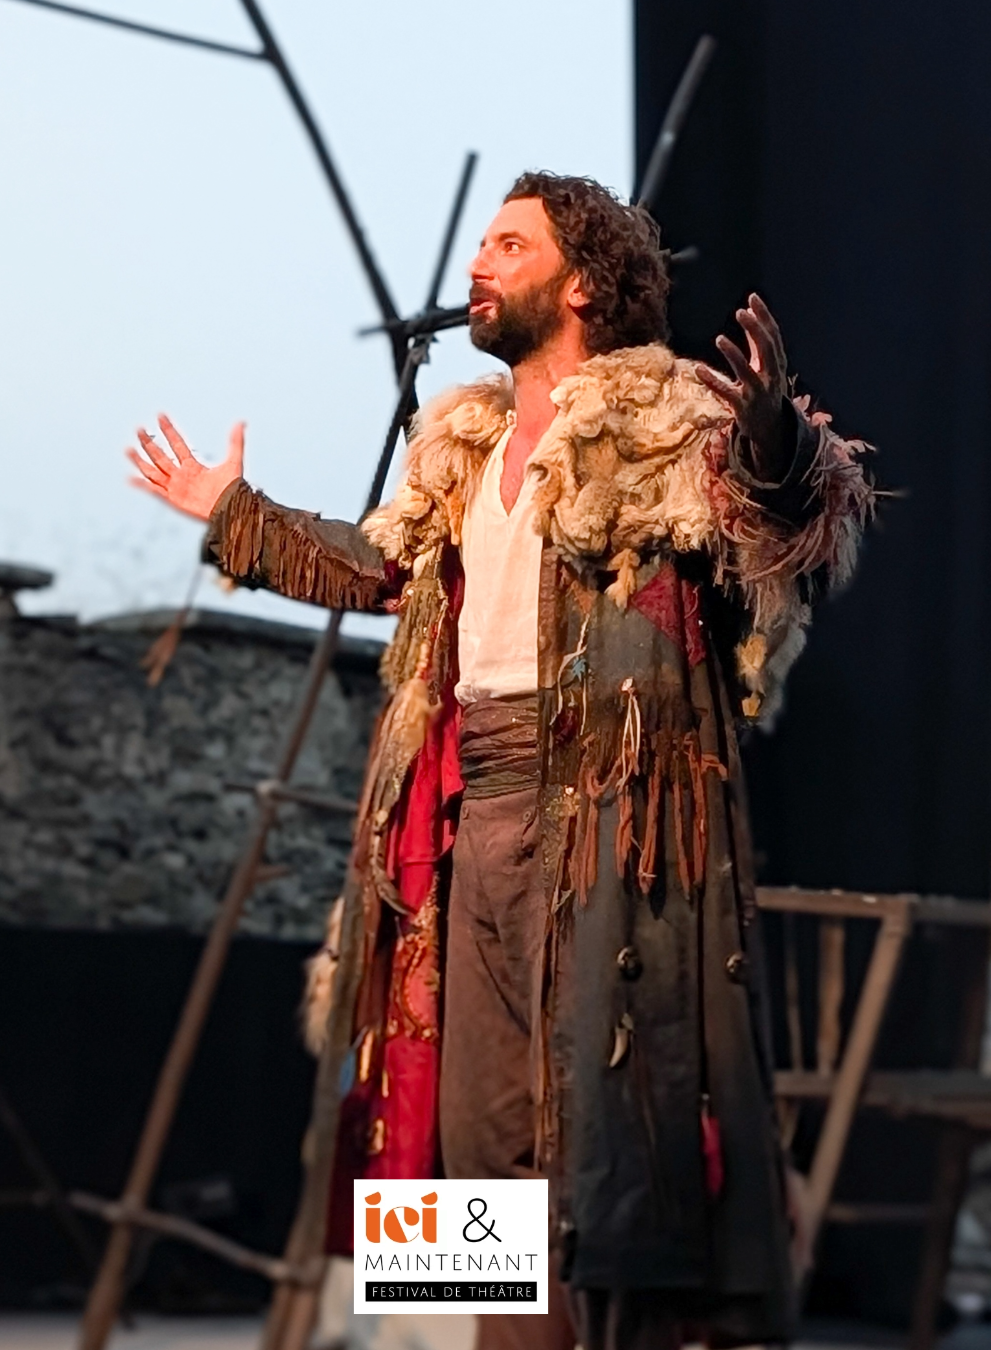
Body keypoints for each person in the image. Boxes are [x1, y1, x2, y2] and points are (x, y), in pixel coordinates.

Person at [128, 172, 872, 1350]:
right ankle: (488, 1338)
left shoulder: (668, 421)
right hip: (474, 805)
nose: (479, 264)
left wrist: (776, 443)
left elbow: (771, 522)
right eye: (481, 243)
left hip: (611, 810)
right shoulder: (463, 447)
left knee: (610, 1122)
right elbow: (378, 568)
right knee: (473, 1135)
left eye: (510, 245)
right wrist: (233, 509)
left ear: (580, 284)